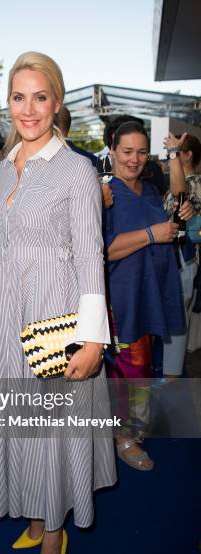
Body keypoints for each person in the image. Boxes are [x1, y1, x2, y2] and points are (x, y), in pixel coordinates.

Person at [0, 51, 116, 554]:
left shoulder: (76, 169)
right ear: (8, 103)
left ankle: (53, 538)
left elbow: (90, 258)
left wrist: (92, 338)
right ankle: (35, 516)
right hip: (7, 315)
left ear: (57, 103)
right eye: (18, 97)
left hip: (57, 317)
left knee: (51, 434)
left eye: (40, 97)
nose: (29, 109)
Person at [103, 122, 192, 470]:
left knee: (141, 366)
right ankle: (121, 434)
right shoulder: (104, 194)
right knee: (125, 369)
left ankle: (131, 427)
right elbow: (103, 250)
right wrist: (152, 234)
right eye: (127, 151)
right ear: (112, 150)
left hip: (150, 291)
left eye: (142, 152)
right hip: (119, 297)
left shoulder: (151, 190)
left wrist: (180, 213)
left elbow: (180, 200)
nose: (135, 159)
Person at [163, 134, 201, 356]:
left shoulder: (194, 184)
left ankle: (172, 371)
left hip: (183, 258)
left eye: (178, 152)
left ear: (188, 155)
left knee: (177, 316)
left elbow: (179, 202)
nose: (172, 158)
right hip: (183, 259)